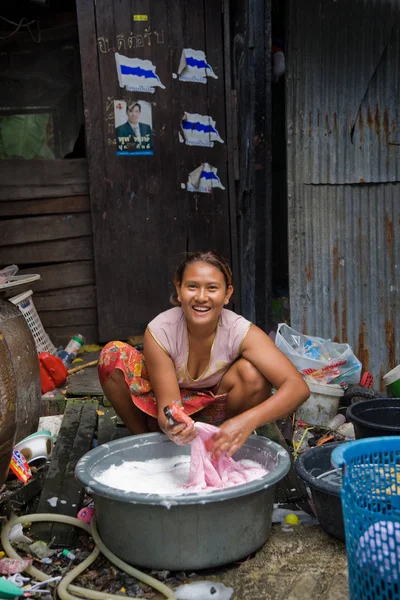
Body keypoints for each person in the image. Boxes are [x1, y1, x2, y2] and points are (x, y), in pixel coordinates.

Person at [98, 251, 309, 457]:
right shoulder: (161, 330)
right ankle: (149, 445)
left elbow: (297, 387)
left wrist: (245, 421)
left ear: (227, 294)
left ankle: (223, 444)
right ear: (178, 289)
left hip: (216, 411)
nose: (201, 297)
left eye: (212, 288)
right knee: (113, 354)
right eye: (192, 286)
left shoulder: (240, 331)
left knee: (252, 373)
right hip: (162, 410)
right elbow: (168, 406)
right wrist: (174, 425)